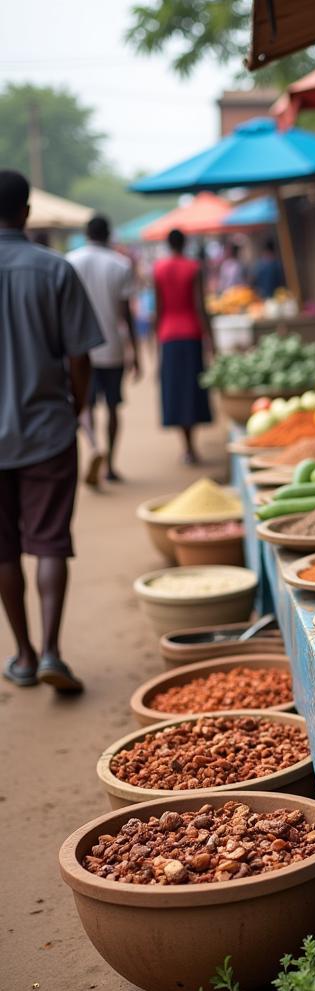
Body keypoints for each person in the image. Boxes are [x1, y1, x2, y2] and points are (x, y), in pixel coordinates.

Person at [0, 169, 104, 692]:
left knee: (3, 552)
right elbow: (81, 355)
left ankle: (19, 653)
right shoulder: (54, 270)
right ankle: (51, 653)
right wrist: (77, 405)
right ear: (26, 213)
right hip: (47, 431)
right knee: (48, 545)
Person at [67, 215, 139, 484]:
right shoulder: (120, 264)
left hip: (80, 348)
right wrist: (136, 352)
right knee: (112, 407)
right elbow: (126, 314)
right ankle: (110, 464)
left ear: (86, 233)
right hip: (112, 348)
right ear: (108, 234)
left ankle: (94, 444)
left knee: (85, 404)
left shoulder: (70, 261)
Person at [152, 229, 212, 464]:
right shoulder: (193, 267)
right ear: (185, 243)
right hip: (191, 333)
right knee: (192, 390)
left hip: (169, 335)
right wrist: (211, 339)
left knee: (176, 391)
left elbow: (158, 310)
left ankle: (185, 445)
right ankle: (191, 445)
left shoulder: (159, 269)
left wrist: (154, 343)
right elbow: (200, 306)